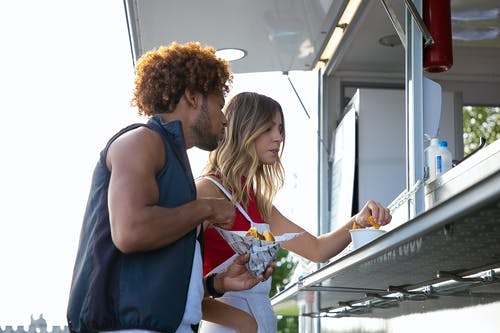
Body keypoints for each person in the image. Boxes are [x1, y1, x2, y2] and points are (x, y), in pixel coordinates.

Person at [66, 43, 274, 333]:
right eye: (219, 102)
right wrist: (206, 209)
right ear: (192, 97)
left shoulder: (172, 158)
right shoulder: (140, 142)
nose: (224, 118)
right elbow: (131, 231)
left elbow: (157, 275)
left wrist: (218, 284)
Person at [196, 92, 392, 332]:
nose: (278, 138)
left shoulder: (257, 201)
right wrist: (243, 321)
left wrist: (358, 221)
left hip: (261, 323)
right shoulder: (207, 190)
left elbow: (318, 250)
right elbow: (179, 286)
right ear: (243, 130)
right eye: (268, 128)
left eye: (280, 129)